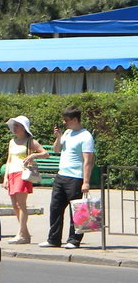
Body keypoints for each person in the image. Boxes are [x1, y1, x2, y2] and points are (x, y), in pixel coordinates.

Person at [40, 105, 95, 249]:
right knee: (55, 208)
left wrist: (86, 182)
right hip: (61, 176)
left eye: (67, 120)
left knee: (76, 211)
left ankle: (74, 240)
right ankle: (53, 239)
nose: (64, 122)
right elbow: (57, 150)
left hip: (75, 178)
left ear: (75, 119)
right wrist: (58, 137)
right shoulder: (67, 133)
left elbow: (88, 161)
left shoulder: (86, 136)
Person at [2, 115, 47, 244]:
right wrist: (5, 177)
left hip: (23, 174)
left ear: (24, 127)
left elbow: (45, 153)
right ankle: (25, 234)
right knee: (15, 205)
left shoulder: (30, 141)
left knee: (21, 205)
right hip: (11, 174)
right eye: (14, 125)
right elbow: (9, 160)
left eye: (18, 125)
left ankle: (21, 233)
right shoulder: (12, 141)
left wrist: (33, 155)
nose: (15, 128)